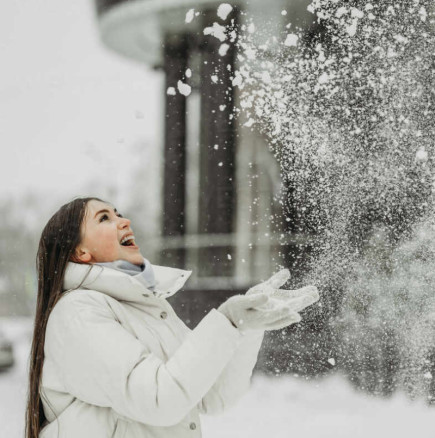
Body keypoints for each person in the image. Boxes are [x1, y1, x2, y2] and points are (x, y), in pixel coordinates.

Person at [25, 197, 319, 438]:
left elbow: (213, 396)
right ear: (80, 251)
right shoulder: (78, 312)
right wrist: (226, 320)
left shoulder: (142, 308)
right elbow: (159, 399)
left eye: (119, 214)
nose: (123, 221)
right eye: (104, 218)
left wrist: (245, 326)